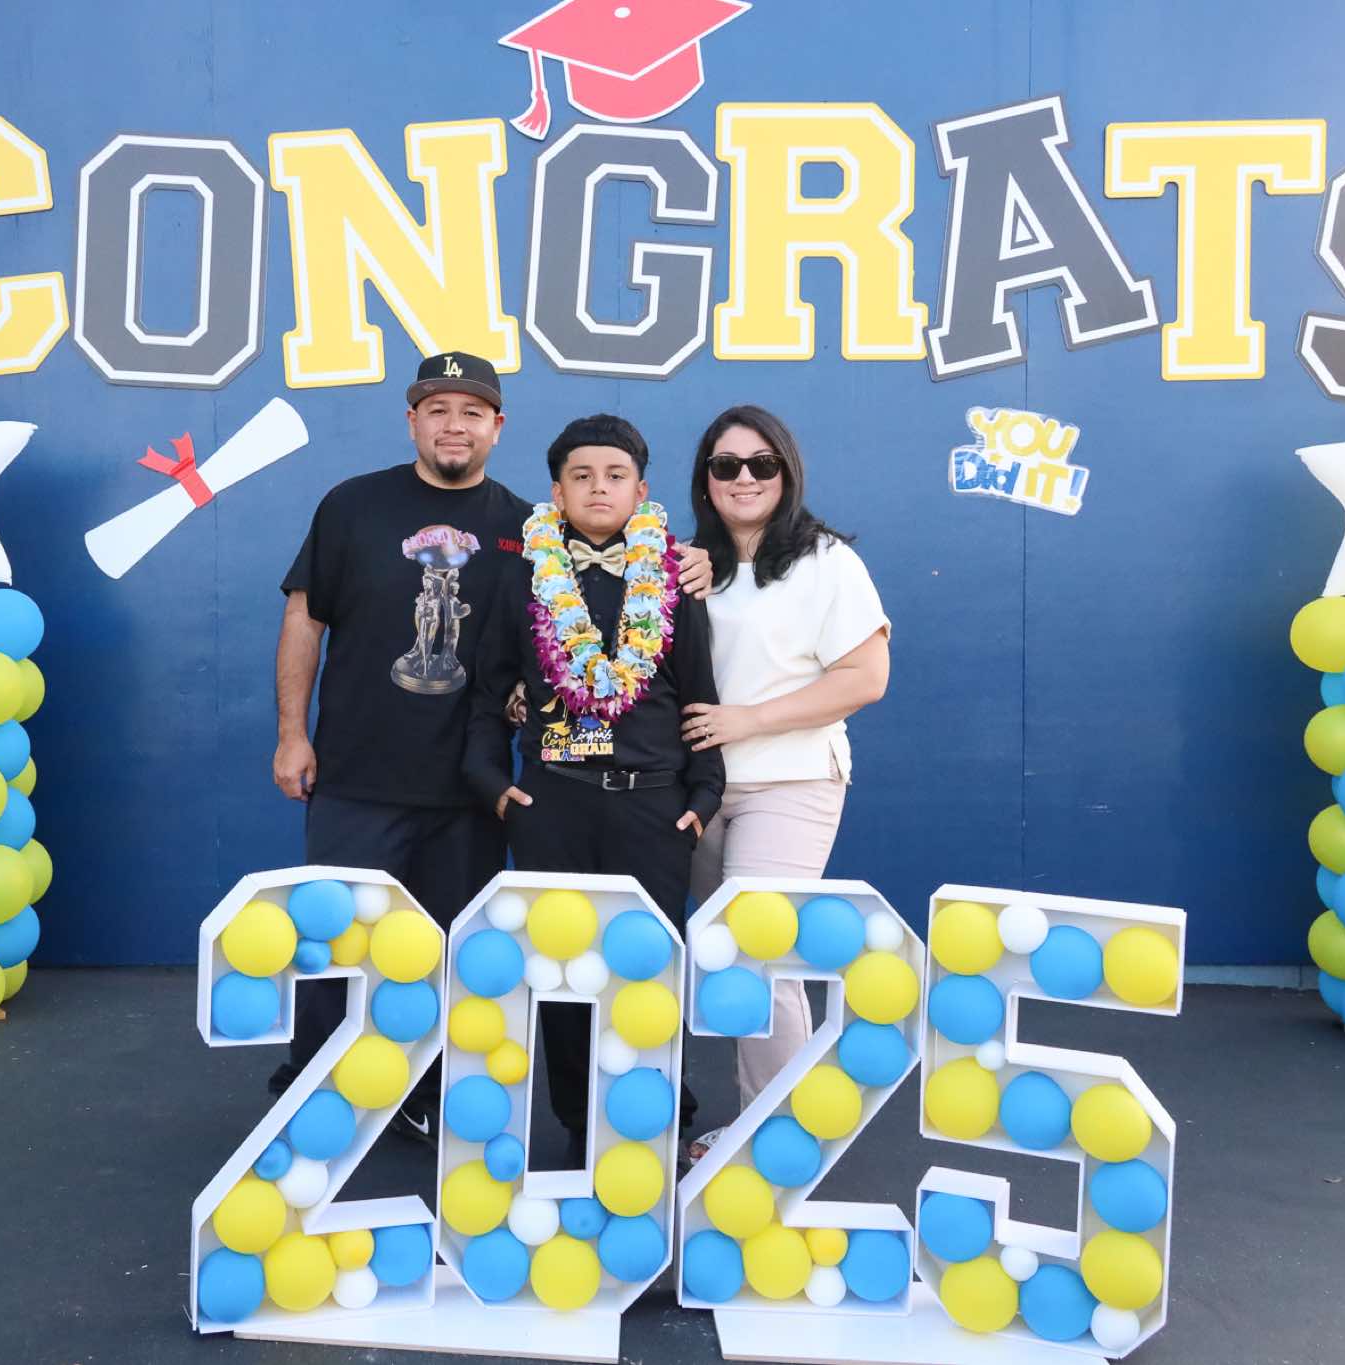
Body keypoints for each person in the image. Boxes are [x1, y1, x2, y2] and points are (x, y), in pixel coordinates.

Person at [271, 357, 713, 1142]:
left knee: (455, 961)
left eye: (471, 411)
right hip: (357, 773)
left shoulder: (527, 531)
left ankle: (426, 1098)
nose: (454, 425)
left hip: (469, 796)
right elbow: (305, 617)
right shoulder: (351, 504)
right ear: (411, 419)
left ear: (497, 427)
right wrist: (292, 732)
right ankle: (314, 1097)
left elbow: (542, 641)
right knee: (336, 944)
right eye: (437, 408)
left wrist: (699, 561)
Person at [464, 413, 724, 1164]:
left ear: (641, 492)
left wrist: (701, 800)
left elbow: (699, 692)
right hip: (555, 801)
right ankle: (581, 1124)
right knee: (565, 970)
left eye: (615, 476)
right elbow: (488, 691)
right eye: (581, 476)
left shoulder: (674, 578)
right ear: (557, 492)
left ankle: (660, 1122)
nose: (598, 488)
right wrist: (494, 787)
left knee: (648, 969)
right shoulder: (525, 575)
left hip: (655, 806)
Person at [674, 404, 891, 1166]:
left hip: (791, 779)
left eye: (761, 463)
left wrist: (749, 720)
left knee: (757, 951)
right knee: (737, 959)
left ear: (787, 472)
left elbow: (866, 676)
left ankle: (783, 1140)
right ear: (705, 478)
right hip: (700, 789)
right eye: (726, 464)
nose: (744, 477)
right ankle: (765, 1123)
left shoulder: (827, 561)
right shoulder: (688, 563)